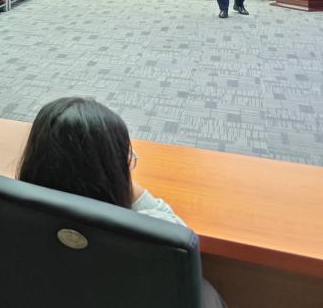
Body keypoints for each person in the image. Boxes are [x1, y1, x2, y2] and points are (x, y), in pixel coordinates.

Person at [18, 97, 225, 308]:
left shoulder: (11, 210)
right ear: (113, 172)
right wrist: (124, 180)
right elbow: (182, 241)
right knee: (207, 292)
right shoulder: (151, 233)